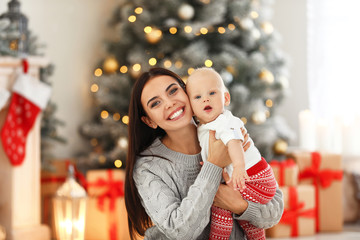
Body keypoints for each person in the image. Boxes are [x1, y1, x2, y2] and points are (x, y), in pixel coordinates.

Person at [124, 67, 284, 240]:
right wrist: (214, 164)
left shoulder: (227, 131)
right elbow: (180, 232)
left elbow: (274, 210)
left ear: (188, 93)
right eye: (156, 103)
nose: (169, 103)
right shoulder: (148, 167)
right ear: (149, 121)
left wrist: (240, 206)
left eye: (173, 91)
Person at [186, 67, 277, 240]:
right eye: (197, 97)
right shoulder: (203, 128)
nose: (205, 98)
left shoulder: (224, 122)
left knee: (221, 206)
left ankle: (218, 237)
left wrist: (239, 166)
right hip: (247, 179)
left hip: (256, 179)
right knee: (247, 221)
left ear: (225, 98)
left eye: (212, 93)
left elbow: (234, 141)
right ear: (191, 106)